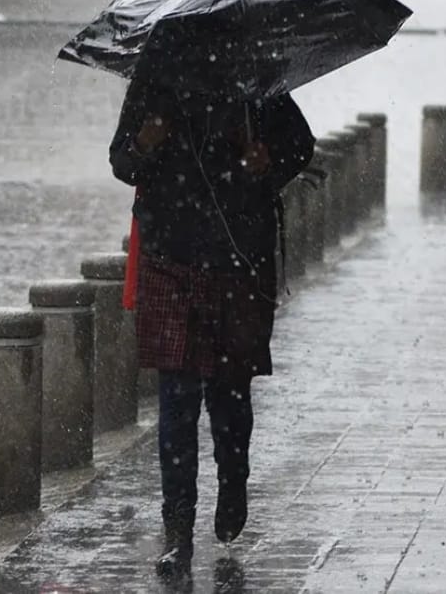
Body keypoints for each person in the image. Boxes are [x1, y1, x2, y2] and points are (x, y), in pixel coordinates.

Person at [109, 80, 314, 582]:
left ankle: (233, 481)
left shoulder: (256, 86)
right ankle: (177, 530)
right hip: (169, 260)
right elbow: (121, 162)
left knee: (229, 394)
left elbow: (300, 148)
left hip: (237, 262)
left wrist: (265, 162)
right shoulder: (154, 87)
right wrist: (146, 143)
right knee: (177, 403)